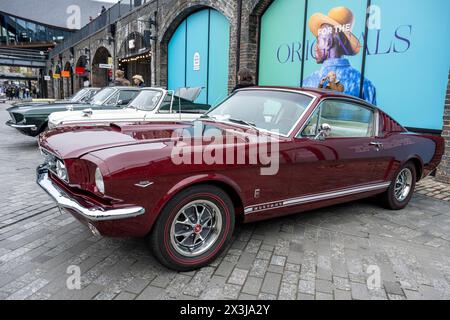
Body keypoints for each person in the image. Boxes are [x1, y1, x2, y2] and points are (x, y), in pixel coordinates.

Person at [302, 7, 376, 105]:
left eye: (318, 40)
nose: (315, 47)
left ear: (328, 42)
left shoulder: (308, 82)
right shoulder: (365, 85)